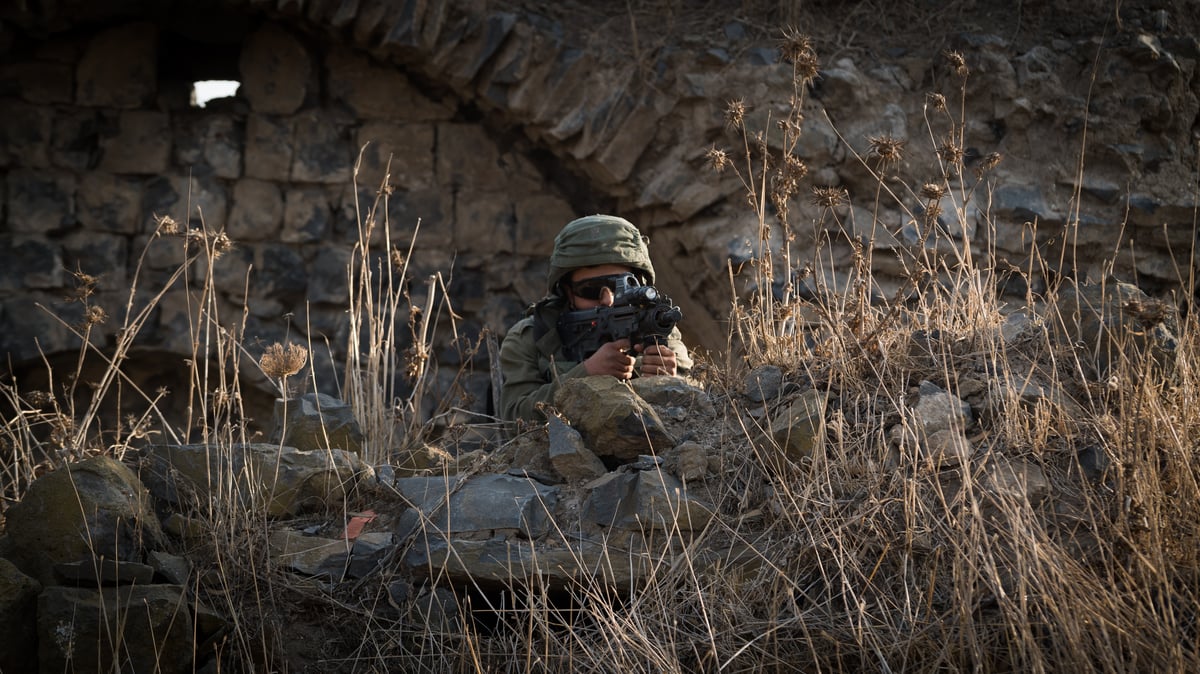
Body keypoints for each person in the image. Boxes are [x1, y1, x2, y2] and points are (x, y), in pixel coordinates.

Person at [498, 214, 693, 424]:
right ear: (567, 292)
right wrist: (586, 374)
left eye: (622, 286)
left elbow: (699, 408)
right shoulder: (531, 336)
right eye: (591, 290)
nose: (608, 300)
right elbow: (513, 420)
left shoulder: (656, 328)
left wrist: (671, 383)